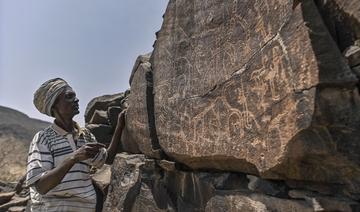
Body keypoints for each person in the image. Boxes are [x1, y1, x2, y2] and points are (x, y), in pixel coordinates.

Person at [25, 78, 125, 211]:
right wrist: (73, 158)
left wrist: (120, 126)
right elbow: (41, 186)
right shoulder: (43, 138)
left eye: (75, 96)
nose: (76, 100)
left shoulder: (86, 135)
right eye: (69, 96)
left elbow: (107, 159)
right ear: (54, 106)